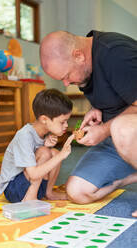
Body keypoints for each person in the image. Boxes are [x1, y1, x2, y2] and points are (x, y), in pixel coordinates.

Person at [40, 30, 137, 213]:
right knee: (77, 191)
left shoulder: (116, 53)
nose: (67, 84)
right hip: (119, 141)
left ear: (78, 55)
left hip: (125, 133)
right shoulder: (86, 64)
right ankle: (131, 174)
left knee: (120, 128)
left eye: (66, 76)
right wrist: (97, 109)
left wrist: (104, 130)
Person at [0, 88, 74, 203]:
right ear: (44, 119)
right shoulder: (24, 135)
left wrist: (47, 146)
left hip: (33, 186)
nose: (66, 125)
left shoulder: (43, 133)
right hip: (14, 190)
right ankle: (30, 199)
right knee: (46, 152)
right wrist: (61, 155)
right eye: (62, 122)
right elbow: (33, 174)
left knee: (54, 153)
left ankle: (48, 192)